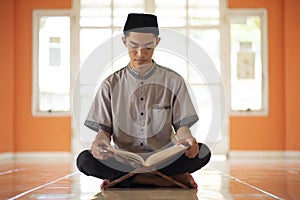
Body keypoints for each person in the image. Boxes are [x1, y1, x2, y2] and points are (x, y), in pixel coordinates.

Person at [76, 13, 211, 189]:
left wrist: (189, 143)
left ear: (157, 42)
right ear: (124, 41)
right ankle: (160, 180)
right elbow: (104, 133)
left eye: (148, 47)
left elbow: (182, 130)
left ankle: (125, 180)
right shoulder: (110, 84)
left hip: (164, 159)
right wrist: (99, 144)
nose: (141, 54)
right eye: (134, 46)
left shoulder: (173, 81)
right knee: (84, 160)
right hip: (124, 160)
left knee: (203, 152)